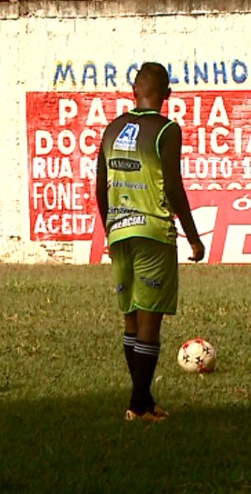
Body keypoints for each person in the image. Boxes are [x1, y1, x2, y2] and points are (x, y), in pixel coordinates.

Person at [95, 62, 205, 422]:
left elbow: (99, 187)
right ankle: (138, 405)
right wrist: (193, 236)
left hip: (119, 232)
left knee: (130, 322)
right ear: (168, 95)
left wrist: (110, 228)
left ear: (133, 92)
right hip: (154, 233)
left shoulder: (112, 129)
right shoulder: (167, 130)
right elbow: (173, 186)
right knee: (149, 325)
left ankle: (143, 401)